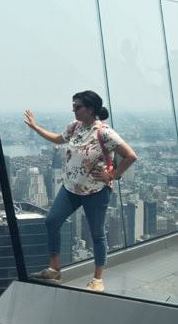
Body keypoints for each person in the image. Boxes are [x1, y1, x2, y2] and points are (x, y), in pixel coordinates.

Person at [24, 90, 137, 292]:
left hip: (95, 191)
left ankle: (98, 280)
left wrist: (112, 175)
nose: (73, 109)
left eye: (77, 106)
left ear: (90, 109)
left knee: (97, 234)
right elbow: (59, 139)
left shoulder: (104, 132)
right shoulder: (74, 127)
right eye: (73, 105)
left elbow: (130, 156)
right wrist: (35, 127)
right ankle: (54, 270)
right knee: (52, 220)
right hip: (71, 187)